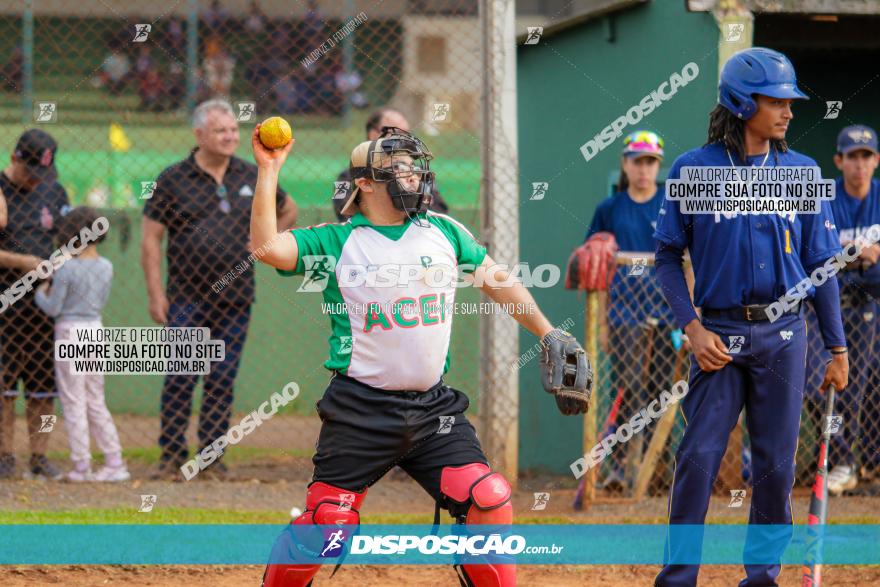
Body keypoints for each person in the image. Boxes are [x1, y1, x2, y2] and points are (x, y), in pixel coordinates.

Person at [250, 126, 590, 586]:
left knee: (488, 496)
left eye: (416, 169)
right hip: (360, 410)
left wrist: (548, 333)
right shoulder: (337, 241)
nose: (413, 178)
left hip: (434, 410)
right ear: (365, 183)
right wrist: (269, 170)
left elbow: (498, 280)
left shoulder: (445, 232)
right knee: (328, 524)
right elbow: (267, 248)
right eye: (398, 170)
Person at [652, 48, 848, 586]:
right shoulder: (694, 169)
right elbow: (668, 257)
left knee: (776, 469)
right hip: (719, 334)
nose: (788, 111)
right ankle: (677, 579)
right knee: (698, 460)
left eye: (790, 101)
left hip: (786, 335)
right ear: (742, 102)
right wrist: (691, 327)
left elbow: (822, 266)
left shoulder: (802, 173)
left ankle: (761, 578)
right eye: (776, 100)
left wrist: (838, 347)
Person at [140, 100, 298, 480]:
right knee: (181, 376)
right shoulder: (173, 179)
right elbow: (150, 240)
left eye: (232, 130)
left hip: (236, 298)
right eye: (220, 131)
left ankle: (211, 459)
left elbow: (288, 209)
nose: (230, 137)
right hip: (185, 298)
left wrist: (267, 238)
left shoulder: (251, 173)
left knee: (222, 378)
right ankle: (171, 456)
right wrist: (156, 294)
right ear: (199, 135)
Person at [583, 130, 680, 492]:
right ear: (625, 164)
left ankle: (655, 471)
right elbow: (596, 267)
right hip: (623, 315)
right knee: (629, 389)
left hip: (666, 316)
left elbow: (687, 261)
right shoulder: (610, 209)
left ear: (658, 166)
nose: (644, 169)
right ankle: (623, 466)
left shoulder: (671, 206)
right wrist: (605, 324)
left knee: (660, 393)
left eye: (650, 162)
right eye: (637, 161)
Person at [34, 207, 129, 483]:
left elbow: (53, 308)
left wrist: (41, 290)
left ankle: (81, 465)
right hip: (94, 330)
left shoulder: (66, 267)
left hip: (69, 331)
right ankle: (114, 462)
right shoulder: (106, 266)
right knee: (95, 400)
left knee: (73, 400)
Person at [810, 124, 880, 495]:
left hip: (872, 304)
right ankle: (840, 459)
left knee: (868, 389)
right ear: (839, 160)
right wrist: (854, 254)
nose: (859, 164)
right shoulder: (828, 198)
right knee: (819, 385)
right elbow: (818, 255)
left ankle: (867, 463)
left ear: (876, 160)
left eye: (866, 156)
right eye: (852, 156)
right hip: (830, 307)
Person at [0, 129, 70, 481]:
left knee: (43, 388)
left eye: (42, 174)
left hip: (45, 305)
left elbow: (71, 238)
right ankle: (4, 457)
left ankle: (39, 458)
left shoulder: (54, 190)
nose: (35, 181)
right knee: (4, 387)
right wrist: (23, 262)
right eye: (30, 173)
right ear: (14, 159)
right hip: (5, 304)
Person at [333, 108, 449, 221]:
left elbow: (440, 210)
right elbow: (342, 211)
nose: (405, 138)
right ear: (374, 134)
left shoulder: (419, 172)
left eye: (407, 133)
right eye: (396, 132)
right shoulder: (347, 176)